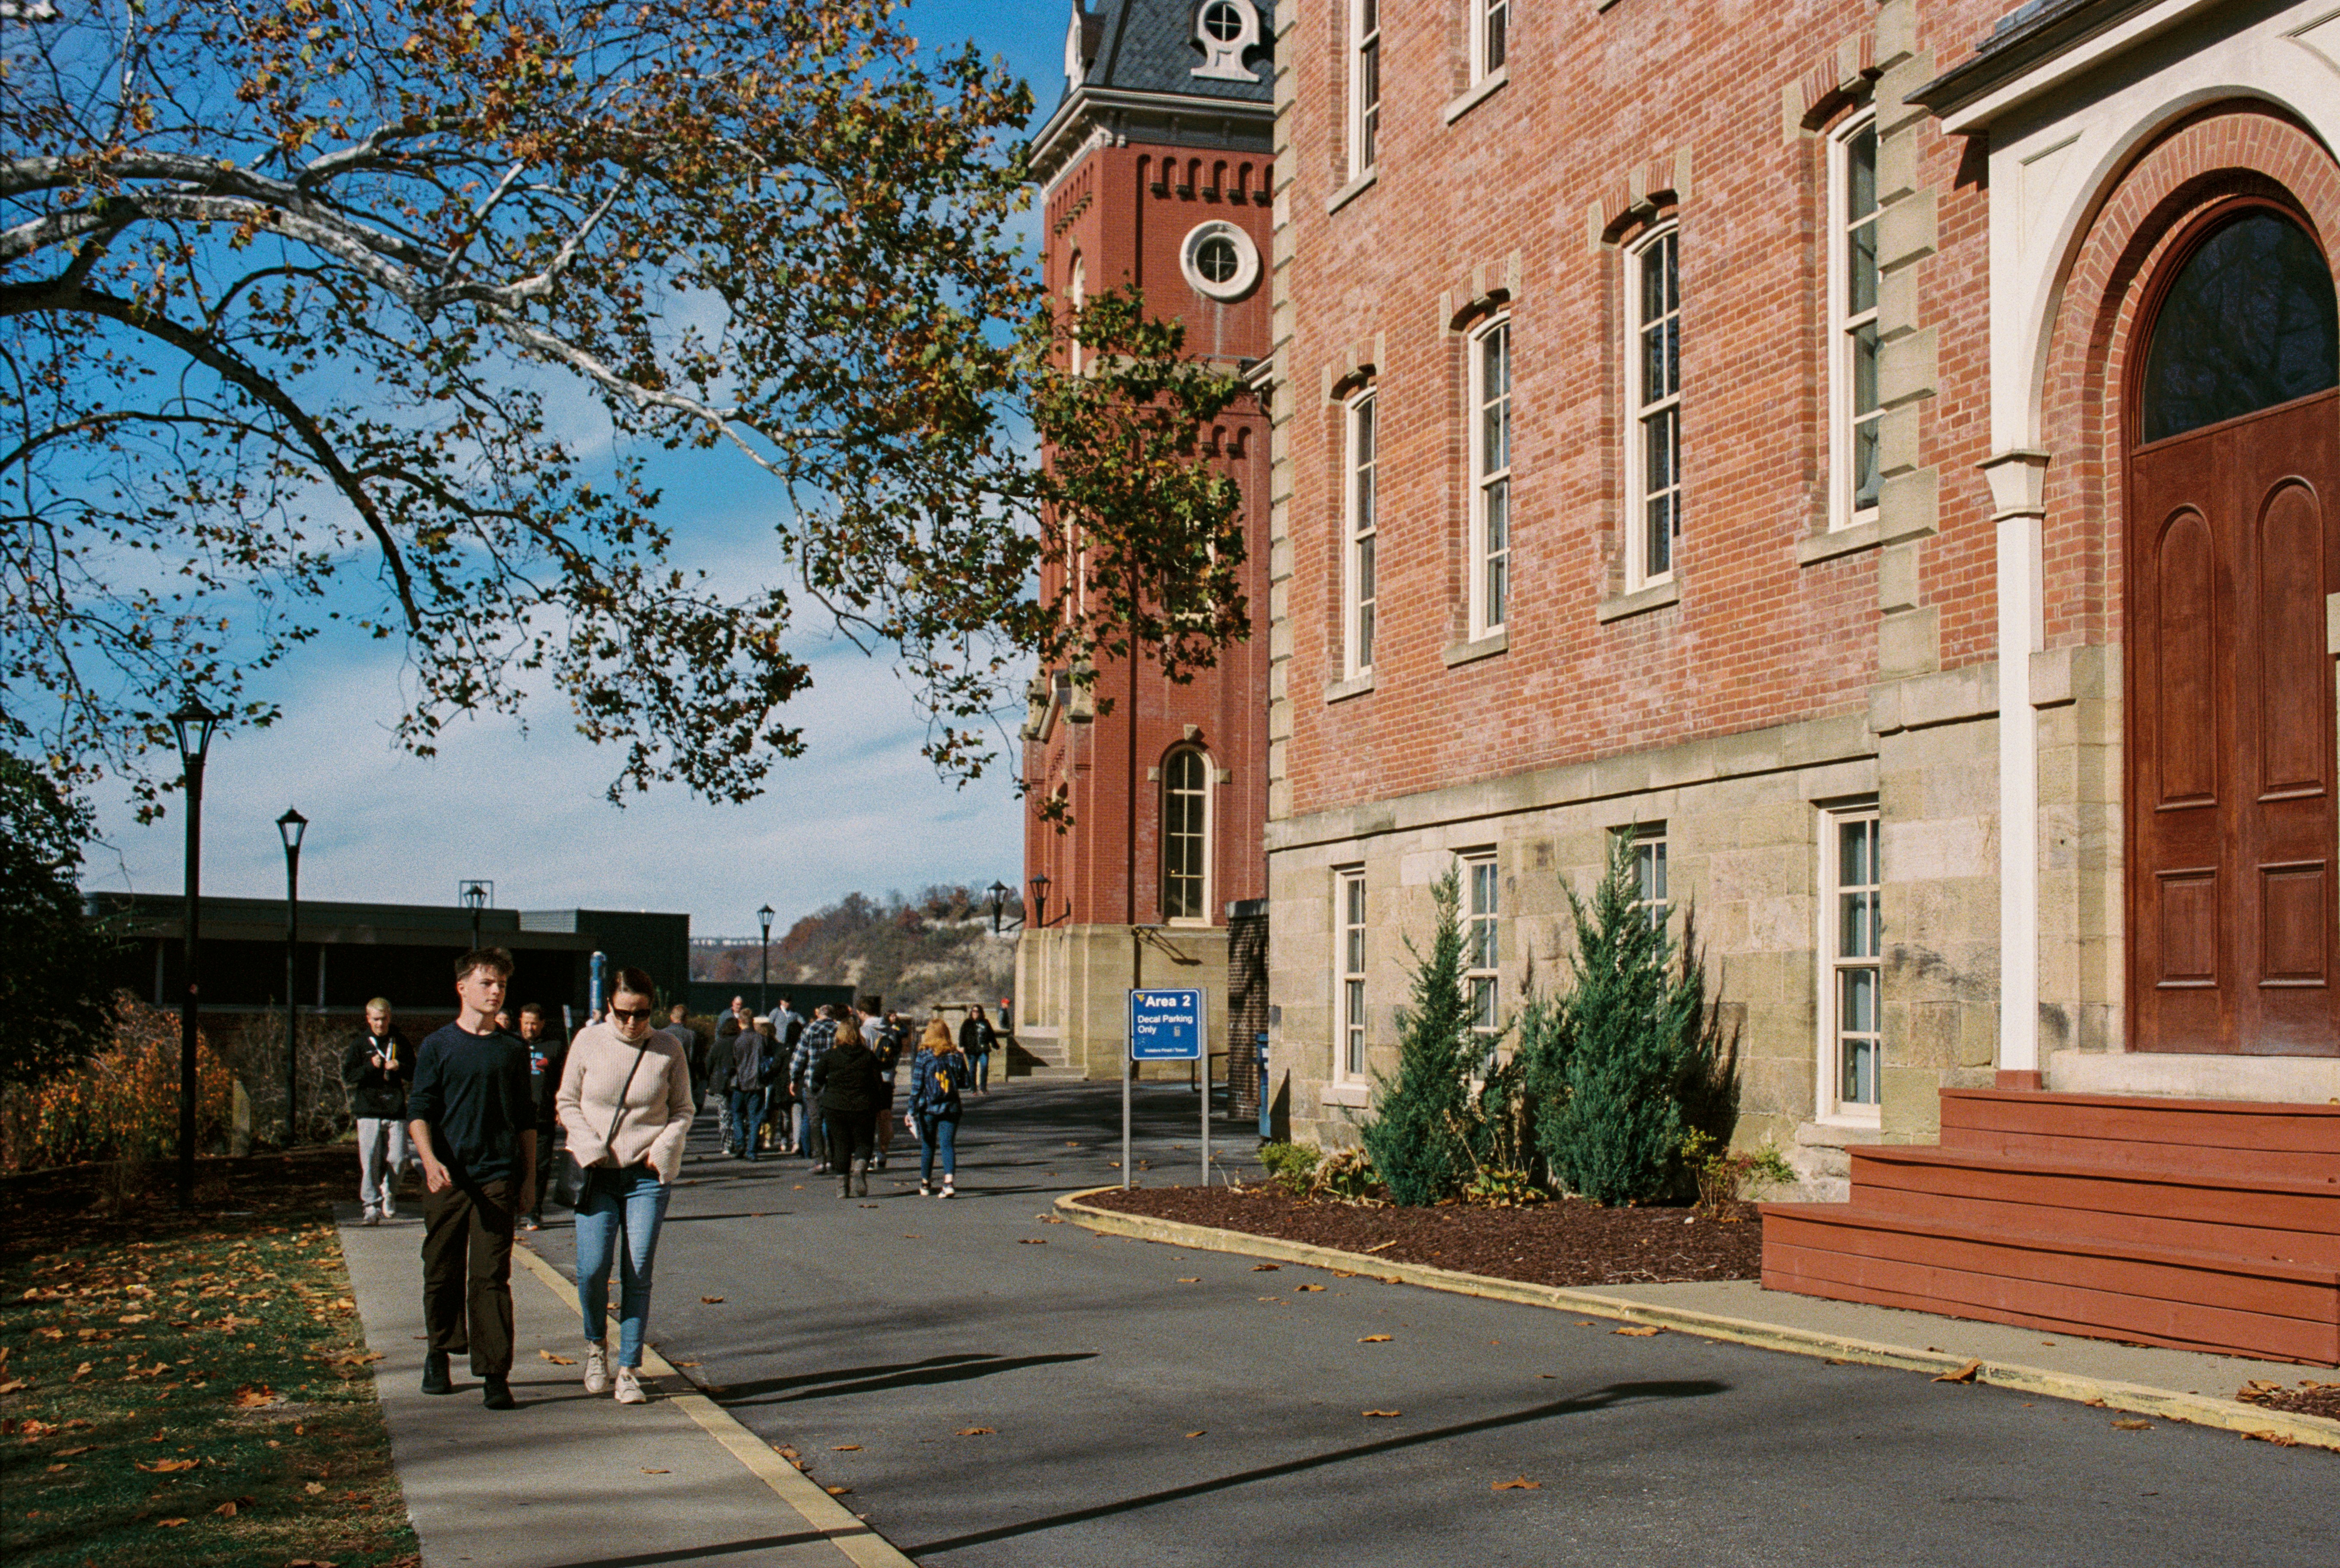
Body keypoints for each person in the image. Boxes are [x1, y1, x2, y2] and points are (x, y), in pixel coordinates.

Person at [556, 968, 692, 1406]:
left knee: (637, 1269)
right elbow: (565, 1101)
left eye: (641, 1014)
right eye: (622, 1013)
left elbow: (683, 1109)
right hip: (596, 1172)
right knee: (593, 1268)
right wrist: (588, 1144)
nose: (632, 1023)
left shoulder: (667, 1047)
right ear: (608, 1007)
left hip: (646, 1175)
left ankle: (630, 1367)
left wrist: (665, 1144)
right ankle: (597, 1346)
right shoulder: (588, 1040)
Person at [406, 948, 535, 1409]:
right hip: (448, 1179)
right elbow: (419, 1110)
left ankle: (494, 1372)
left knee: (490, 1278)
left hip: (497, 1176)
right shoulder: (439, 1045)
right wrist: (429, 1159)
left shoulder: (513, 1050)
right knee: (441, 1271)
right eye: (487, 983)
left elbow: (526, 1119)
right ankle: (439, 1351)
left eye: (501, 984)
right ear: (462, 987)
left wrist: (529, 1179)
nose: (496, 991)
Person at [341, 998, 413, 1225]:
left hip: (395, 1107)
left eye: (384, 1019)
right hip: (368, 1108)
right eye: (375, 1020)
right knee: (370, 1158)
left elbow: (416, 1072)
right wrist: (369, 1067)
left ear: (390, 1018)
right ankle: (371, 1206)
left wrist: (400, 1067)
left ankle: (389, 1191)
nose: (380, 1024)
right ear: (368, 1019)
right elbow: (349, 1076)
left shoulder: (400, 1041)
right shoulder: (361, 1044)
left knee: (399, 1159)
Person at [811, 1015, 884, 1198]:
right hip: (863, 1105)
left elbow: (816, 1081)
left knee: (840, 1144)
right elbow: (878, 1083)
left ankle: (842, 1186)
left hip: (835, 1106)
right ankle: (859, 1168)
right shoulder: (868, 1056)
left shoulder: (830, 1055)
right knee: (864, 1142)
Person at [907, 1018, 971, 1198]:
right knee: (947, 1145)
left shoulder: (924, 1055)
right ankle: (949, 1183)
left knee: (928, 1146)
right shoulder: (956, 1055)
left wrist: (910, 1110)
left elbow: (917, 1086)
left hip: (928, 1107)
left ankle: (925, 1183)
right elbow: (966, 1083)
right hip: (951, 1106)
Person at [518, 1003, 568, 1230]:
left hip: (543, 1118)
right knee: (515, 1166)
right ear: (521, 1022)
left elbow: (564, 1082)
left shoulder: (555, 1048)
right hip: (516, 1120)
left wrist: (561, 1109)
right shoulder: (513, 1046)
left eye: (534, 1023)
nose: (530, 1028)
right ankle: (513, 1210)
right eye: (526, 1023)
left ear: (542, 1024)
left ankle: (533, 1212)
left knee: (539, 1166)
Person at [791, 1005, 839, 1171]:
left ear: (819, 1014)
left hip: (813, 1081)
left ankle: (819, 1160)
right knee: (833, 1120)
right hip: (834, 1081)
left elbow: (799, 1057)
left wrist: (794, 1079)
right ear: (832, 1016)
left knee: (814, 1121)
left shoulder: (809, 1029)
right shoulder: (838, 1030)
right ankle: (832, 1157)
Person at [868, 1010, 906, 1170]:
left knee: (869, 1120)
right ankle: (882, 1154)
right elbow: (896, 1056)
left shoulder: (864, 1031)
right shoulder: (893, 1033)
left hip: (871, 1081)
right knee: (885, 1118)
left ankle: (868, 1156)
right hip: (887, 1079)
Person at [726, 1015, 767, 1161]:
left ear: (740, 1023)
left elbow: (734, 1061)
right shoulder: (759, 1038)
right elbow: (764, 1057)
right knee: (755, 1118)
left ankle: (740, 1143)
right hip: (756, 1082)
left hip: (740, 1082)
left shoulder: (738, 1040)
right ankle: (752, 1150)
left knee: (737, 1114)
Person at [663, 1003, 703, 1115]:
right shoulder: (691, 1036)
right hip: (685, 1076)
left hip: (665, 1075)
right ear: (686, 1018)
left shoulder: (662, 1035)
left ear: (671, 1017)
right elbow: (695, 1059)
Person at [706, 1018, 739, 1150]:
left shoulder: (719, 1044)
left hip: (721, 1083)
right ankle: (737, 1140)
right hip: (738, 1082)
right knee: (737, 1113)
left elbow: (709, 1062)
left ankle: (727, 1144)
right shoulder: (739, 1042)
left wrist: (708, 1080)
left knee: (724, 1115)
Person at [959, 1005, 998, 1094]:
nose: (975, 1013)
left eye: (977, 1012)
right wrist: (962, 1046)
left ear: (980, 1013)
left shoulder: (985, 1023)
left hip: (983, 1049)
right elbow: (962, 1035)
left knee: (984, 1068)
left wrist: (996, 1046)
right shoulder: (967, 1023)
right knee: (972, 1069)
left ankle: (983, 1088)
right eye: (973, 1011)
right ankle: (973, 1088)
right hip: (971, 1050)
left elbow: (991, 1035)